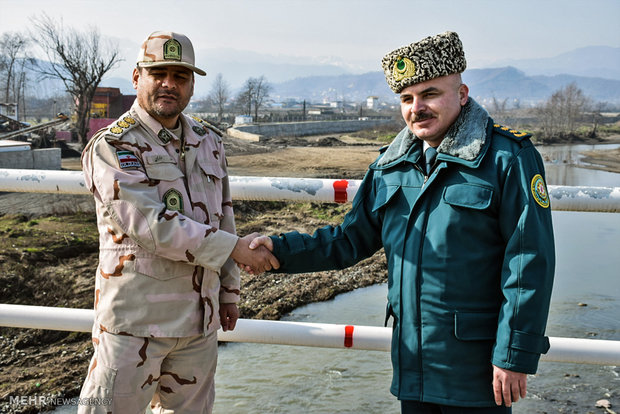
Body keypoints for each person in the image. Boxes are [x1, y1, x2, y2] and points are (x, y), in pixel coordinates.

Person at [247, 31, 555, 413]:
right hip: (413, 366)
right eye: (407, 99)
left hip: (477, 371)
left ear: (462, 94)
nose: (417, 108)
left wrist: (513, 356)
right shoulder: (390, 166)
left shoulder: (507, 159)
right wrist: (277, 249)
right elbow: (348, 241)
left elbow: (529, 262)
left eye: (429, 94)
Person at [78, 31, 278, 413]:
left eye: (181, 76)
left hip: (198, 325)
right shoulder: (113, 146)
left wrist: (229, 292)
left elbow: (225, 216)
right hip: (135, 326)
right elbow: (150, 224)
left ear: (191, 85)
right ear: (137, 78)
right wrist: (234, 250)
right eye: (159, 73)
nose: (169, 84)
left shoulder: (208, 141)